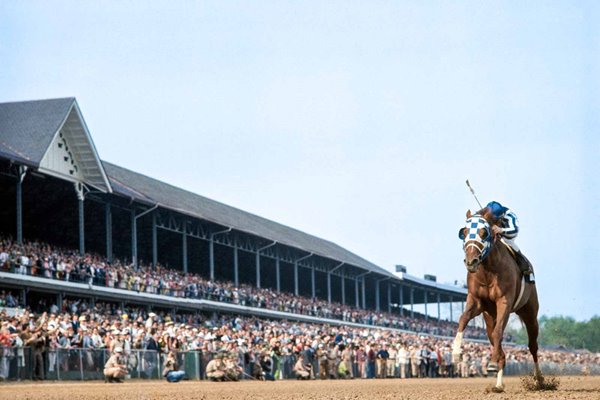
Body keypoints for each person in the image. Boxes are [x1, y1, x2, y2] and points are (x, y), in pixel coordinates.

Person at [486, 201, 535, 283]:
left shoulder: (510, 216)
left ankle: (526, 269)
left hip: (507, 236)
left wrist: (501, 230)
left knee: (509, 244)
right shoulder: (487, 213)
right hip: (493, 234)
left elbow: (515, 230)